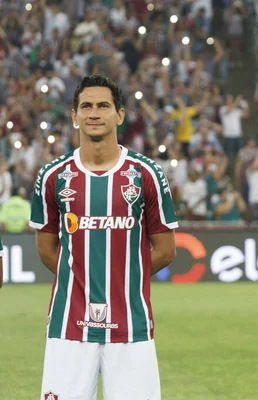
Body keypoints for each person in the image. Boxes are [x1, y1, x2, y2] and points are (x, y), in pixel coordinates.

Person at [30, 75, 178, 400]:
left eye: (103, 106)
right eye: (86, 106)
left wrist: (122, 281)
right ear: (74, 115)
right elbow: (45, 248)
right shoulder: (53, 175)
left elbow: (166, 250)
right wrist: (80, 279)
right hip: (68, 324)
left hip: (131, 322)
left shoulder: (146, 174)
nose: (94, 113)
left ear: (119, 115)